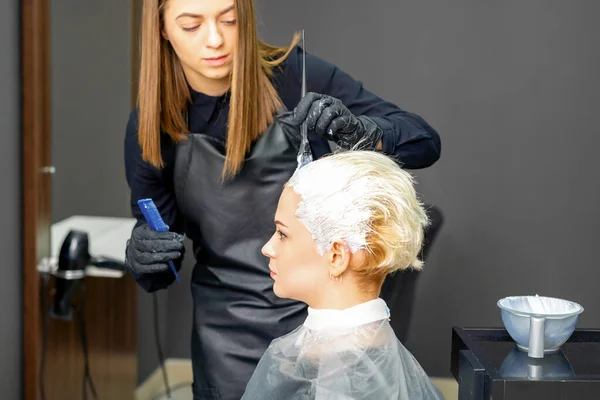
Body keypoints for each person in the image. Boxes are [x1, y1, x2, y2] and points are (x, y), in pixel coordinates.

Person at [124, 0, 441, 398]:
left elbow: (425, 142)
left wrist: (362, 131)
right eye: (191, 25)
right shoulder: (152, 126)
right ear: (162, 29)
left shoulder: (294, 77)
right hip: (224, 335)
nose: (216, 39)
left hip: (317, 322)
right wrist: (143, 255)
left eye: (230, 19)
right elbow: (160, 265)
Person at [242, 150, 443, 399]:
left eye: (283, 234)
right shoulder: (385, 362)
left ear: (336, 256)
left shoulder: (322, 368)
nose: (267, 248)